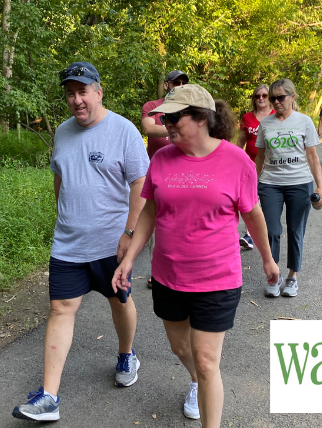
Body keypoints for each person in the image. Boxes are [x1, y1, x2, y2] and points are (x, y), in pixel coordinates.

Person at [112, 84, 279, 428]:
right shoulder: (161, 159)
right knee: (181, 349)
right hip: (168, 276)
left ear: (202, 118)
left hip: (217, 278)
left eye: (174, 117)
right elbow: (150, 211)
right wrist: (129, 258)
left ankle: (207, 405)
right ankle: (196, 381)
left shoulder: (237, 162)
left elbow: (254, 215)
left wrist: (267, 258)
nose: (166, 123)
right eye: (165, 117)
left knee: (206, 361)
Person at [12, 62, 149, 422]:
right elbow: (59, 176)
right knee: (60, 309)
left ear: (99, 91)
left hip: (111, 243)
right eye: (70, 93)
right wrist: (62, 215)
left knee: (119, 301)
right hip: (68, 244)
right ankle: (49, 397)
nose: (77, 100)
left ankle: (126, 354)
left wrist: (130, 233)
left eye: (83, 91)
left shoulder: (124, 130)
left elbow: (140, 184)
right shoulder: (62, 131)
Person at [255, 79, 322, 298]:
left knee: (296, 231)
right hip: (270, 184)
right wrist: (252, 186)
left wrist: (320, 187)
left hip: (300, 183)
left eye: (280, 97)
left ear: (292, 97)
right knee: (272, 231)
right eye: (272, 98)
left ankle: (292, 277)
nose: (275, 102)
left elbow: (312, 156)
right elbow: (259, 157)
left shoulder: (304, 122)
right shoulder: (266, 124)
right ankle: (274, 277)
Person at [141, 70, 190, 287]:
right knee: (155, 220)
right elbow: (149, 128)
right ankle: (156, 271)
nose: (179, 85)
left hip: (187, 169)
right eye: (175, 82)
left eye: (183, 82)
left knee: (183, 222)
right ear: (167, 84)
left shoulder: (191, 106)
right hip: (158, 169)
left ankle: (182, 267)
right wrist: (177, 128)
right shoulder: (152, 106)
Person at [236, 84, 275, 250]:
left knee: (266, 201)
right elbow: (241, 141)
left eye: (264, 95)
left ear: (269, 98)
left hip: (272, 167)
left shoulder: (276, 116)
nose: (260, 98)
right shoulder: (248, 117)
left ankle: (263, 232)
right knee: (251, 199)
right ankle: (249, 235)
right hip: (250, 166)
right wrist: (234, 158)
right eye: (257, 96)